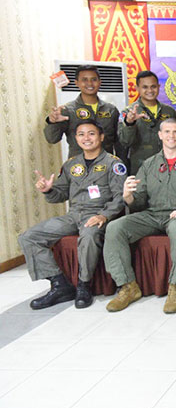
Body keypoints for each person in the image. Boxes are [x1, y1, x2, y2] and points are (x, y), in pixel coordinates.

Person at [104, 119, 176, 314]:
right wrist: (128, 197)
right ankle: (128, 286)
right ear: (160, 135)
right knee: (115, 228)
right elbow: (140, 200)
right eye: (167, 132)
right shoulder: (149, 164)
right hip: (152, 215)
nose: (171, 136)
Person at [19, 121, 126, 309]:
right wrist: (48, 189)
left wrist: (104, 216)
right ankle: (59, 283)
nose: (86, 138)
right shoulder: (71, 165)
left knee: (89, 235)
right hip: (73, 215)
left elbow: (120, 197)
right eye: (81, 134)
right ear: (76, 138)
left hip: (97, 214)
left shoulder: (113, 163)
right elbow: (59, 195)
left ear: (101, 137)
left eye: (91, 134)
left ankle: (84, 285)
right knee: (29, 237)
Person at [44, 65, 119, 157]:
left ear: (100, 82)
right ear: (77, 83)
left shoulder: (111, 110)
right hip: (78, 167)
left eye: (94, 79)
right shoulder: (67, 110)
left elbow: (119, 142)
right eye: (84, 80)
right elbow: (52, 139)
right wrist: (52, 123)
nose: (90, 83)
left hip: (106, 165)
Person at [118, 70, 176, 174]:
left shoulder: (169, 111)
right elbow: (125, 142)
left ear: (159, 87)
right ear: (137, 88)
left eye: (153, 86)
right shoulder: (129, 112)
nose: (150, 90)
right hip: (140, 167)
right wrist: (129, 123)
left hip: (167, 167)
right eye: (145, 87)